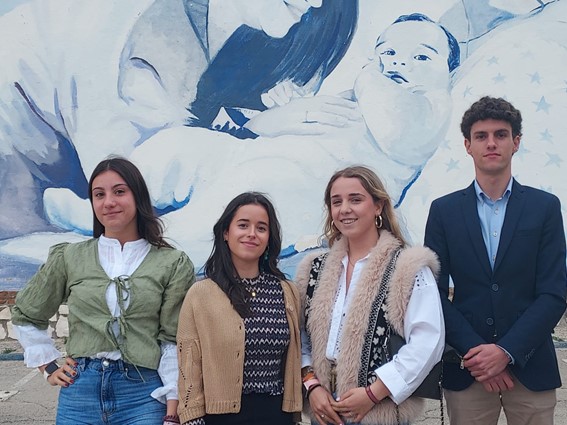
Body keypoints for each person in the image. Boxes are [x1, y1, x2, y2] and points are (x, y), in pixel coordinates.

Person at [11, 156, 195, 425]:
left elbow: (172, 340)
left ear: (138, 196)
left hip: (143, 394)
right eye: (99, 194)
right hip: (80, 393)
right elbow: (27, 313)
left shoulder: (171, 263)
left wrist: (172, 406)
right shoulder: (70, 257)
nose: (108, 202)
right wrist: (48, 366)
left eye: (119, 192)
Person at [424, 96, 567, 425]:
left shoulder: (545, 207)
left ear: (516, 142)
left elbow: (553, 293)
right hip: (469, 368)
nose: (491, 143)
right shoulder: (443, 211)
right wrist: (478, 354)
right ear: (467, 145)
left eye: (501, 135)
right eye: (481, 136)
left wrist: (506, 352)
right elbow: (433, 294)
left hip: (531, 364)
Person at [295, 165, 444, 425]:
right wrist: (313, 387)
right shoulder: (314, 269)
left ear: (378, 206)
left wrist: (373, 393)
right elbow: (301, 337)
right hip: (325, 412)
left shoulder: (407, 267)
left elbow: (427, 341)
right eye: (336, 202)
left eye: (355, 199)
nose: (345, 209)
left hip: (380, 413)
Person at [176, 192, 302, 425]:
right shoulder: (201, 294)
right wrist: (192, 419)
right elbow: (189, 365)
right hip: (220, 419)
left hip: (276, 415)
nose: (252, 233)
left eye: (261, 228)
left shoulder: (287, 291)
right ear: (226, 233)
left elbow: (295, 357)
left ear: (269, 238)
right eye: (243, 225)